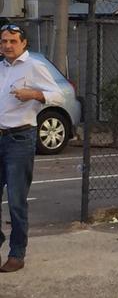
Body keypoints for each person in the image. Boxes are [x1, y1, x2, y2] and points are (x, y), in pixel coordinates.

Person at [0, 24, 64, 272]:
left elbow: (58, 95)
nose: (7, 45)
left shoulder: (34, 66)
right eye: (4, 41)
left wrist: (34, 94)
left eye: (12, 41)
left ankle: (17, 254)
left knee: (16, 200)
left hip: (20, 138)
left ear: (23, 43)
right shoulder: (1, 67)